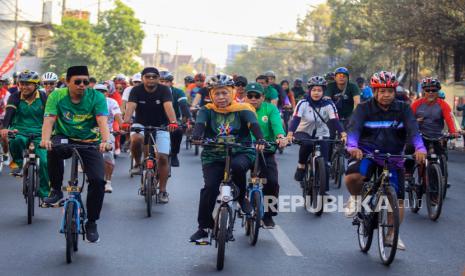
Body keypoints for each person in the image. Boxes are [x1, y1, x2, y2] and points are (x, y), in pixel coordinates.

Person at [344, 71, 426, 250]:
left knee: (398, 200)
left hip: (394, 157)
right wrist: (352, 146)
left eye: (390, 91)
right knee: (353, 177)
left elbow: (413, 130)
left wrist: (420, 148)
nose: (386, 95)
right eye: (382, 91)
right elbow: (354, 129)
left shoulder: (404, 108)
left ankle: (391, 235)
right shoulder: (364, 109)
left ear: (395, 91)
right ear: (375, 92)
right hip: (367, 153)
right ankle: (356, 198)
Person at [189, 74, 265, 243]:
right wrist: (196, 136)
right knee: (209, 188)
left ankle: (241, 197)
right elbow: (200, 126)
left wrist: (260, 139)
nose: (221, 97)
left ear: (231, 92)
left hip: (241, 151)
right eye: (217, 94)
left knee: (237, 167)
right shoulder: (206, 110)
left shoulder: (243, 108)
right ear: (211, 95)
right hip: (213, 154)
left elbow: (253, 125)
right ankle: (203, 227)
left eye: (224, 93)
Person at [41, 65, 111, 243]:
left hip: (89, 141)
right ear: (66, 82)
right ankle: (56, 189)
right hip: (64, 137)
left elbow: (102, 121)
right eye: (77, 82)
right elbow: (49, 120)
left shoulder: (97, 97)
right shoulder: (57, 95)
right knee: (53, 148)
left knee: (97, 181)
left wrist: (106, 141)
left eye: (86, 82)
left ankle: (92, 222)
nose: (82, 85)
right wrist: (45, 139)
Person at [124, 67, 178, 204]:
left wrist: (173, 122)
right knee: (135, 139)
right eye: (148, 76)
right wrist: (125, 122)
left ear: (158, 78)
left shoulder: (164, 90)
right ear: (143, 78)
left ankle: (163, 191)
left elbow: (168, 106)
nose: (151, 79)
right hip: (140, 124)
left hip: (161, 126)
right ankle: (137, 164)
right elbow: (130, 107)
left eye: (154, 76)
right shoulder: (135, 90)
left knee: (163, 158)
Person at [287, 76, 345, 194]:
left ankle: (324, 192)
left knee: (325, 163)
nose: (316, 93)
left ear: (323, 91)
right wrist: (290, 134)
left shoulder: (329, 104)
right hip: (303, 131)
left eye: (319, 90)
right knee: (307, 144)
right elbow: (296, 119)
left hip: (322, 133)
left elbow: (335, 120)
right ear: (309, 90)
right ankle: (301, 165)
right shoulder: (303, 103)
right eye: (314, 90)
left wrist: (343, 134)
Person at [1, 70, 50, 201]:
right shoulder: (15, 96)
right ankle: (17, 163)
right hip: (20, 129)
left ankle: (44, 192)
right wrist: (5, 128)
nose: (24, 87)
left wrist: (51, 134)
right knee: (16, 140)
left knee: (45, 161)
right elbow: (9, 113)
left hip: (40, 132)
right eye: (21, 84)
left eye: (28, 84)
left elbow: (51, 117)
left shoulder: (44, 97)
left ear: (36, 85)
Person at [245, 82, 287, 228]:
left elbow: (277, 126)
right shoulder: (239, 109)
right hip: (243, 151)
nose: (253, 99)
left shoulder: (271, 109)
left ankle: (268, 215)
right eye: (250, 96)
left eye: (257, 96)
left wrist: (281, 137)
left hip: (266, 151)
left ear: (263, 97)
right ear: (245, 97)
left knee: (273, 182)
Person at [408, 78, 458, 187]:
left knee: (442, 156)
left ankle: (441, 181)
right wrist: (415, 121)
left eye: (434, 90)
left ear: (438, 92)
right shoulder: (416, 104)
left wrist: (453, 132)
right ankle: (408, 172)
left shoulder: (443, 104)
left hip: (437, 136)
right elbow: (408, 119)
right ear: (423, 91)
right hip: (420, 136)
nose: (431, 92)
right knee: (409, 148)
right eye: (428, 90)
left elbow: (449, 119)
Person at [159, 70, 191, 167]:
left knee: (178, 131)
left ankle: (174, 154)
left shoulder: (178, 92)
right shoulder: (152, 92)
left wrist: (189, 119)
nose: (164, 84)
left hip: (173, 120)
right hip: (155, 120)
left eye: (167, 81)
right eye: (161, 81)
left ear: (171, 82)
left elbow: (183, 106)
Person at [94, 84, 123, 193]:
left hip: (108, 132)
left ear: (107, 93)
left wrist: (122, 126)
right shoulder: (87, 101)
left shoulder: (112, 102)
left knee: (107, 155)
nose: (100, 93)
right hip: (89, 133)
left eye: (103, 91)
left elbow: (118, 116)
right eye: (98, 91)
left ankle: (108, 182)